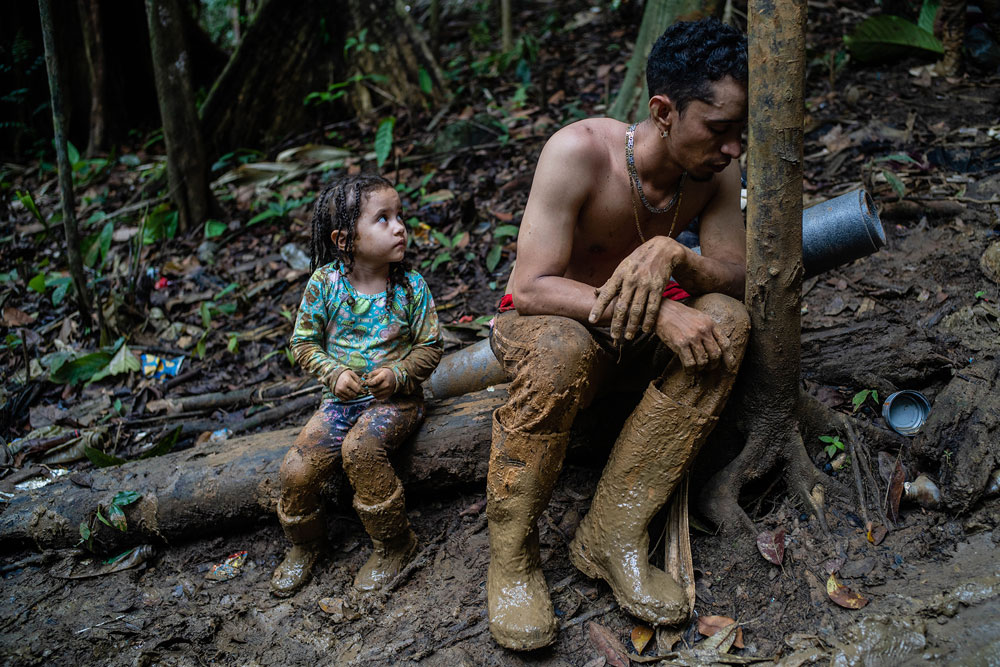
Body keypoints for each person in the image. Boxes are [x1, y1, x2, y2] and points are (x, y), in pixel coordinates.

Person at [486, 18, 751, 650]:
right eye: (719, 129)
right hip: (552, 326)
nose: (734, 148)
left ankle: (612, 533)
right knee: (560, 350)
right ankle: (512, 559)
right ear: (664, 110)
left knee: (728, 323)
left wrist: (675, 255)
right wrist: (658, 312)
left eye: (741, 132)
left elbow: (736, 278)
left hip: (630, 342)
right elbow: (531, 287)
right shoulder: (577, 152)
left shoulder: (714, 176)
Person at [270, 173, 443, 597]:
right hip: (340, 404)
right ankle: (305, 545)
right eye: (383, 219)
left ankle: (394, 543)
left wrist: (398, 374)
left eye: (399, 215)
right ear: (344, 239)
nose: (400, 226)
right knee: (295, 469)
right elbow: (304, 343)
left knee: (361, 450)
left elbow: (432, 346)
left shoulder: (411, 288)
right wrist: (334, 373)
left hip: (397, 403)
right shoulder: (325, 285)